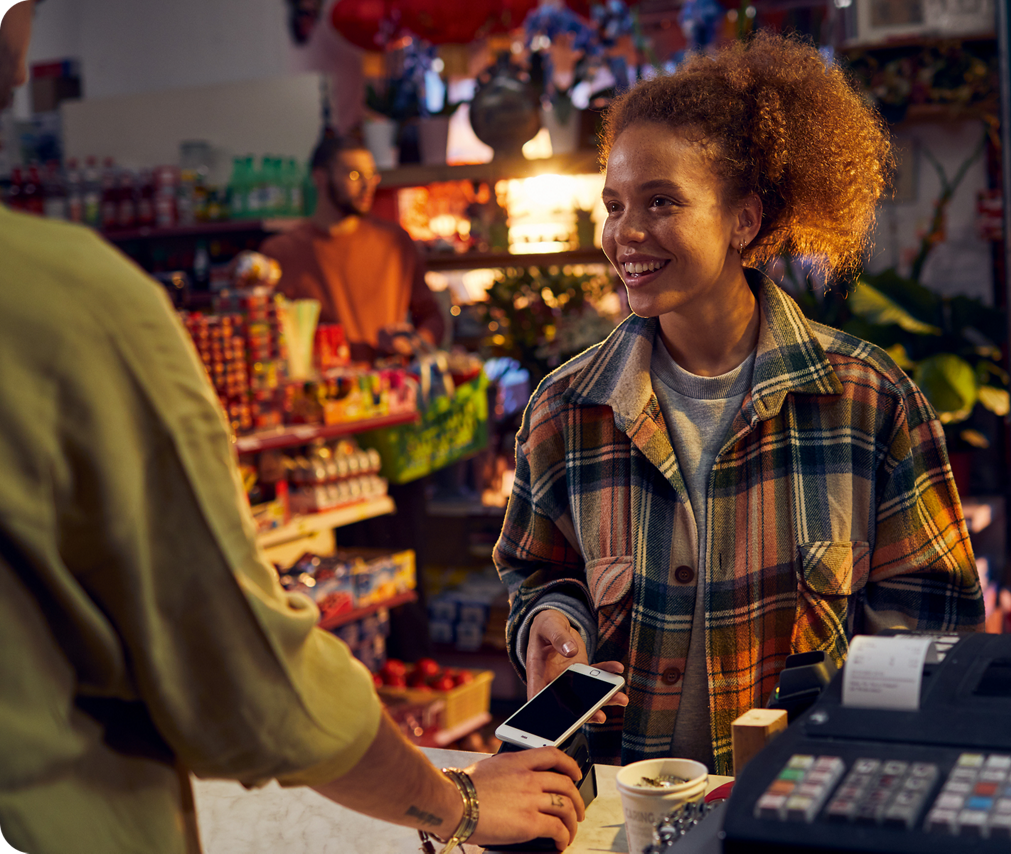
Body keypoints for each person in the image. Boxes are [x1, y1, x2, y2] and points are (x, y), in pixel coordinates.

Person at [0, 3, 583, 852]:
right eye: (17, 22)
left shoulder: (391, 243)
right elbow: (250, 679)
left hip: (399, 427)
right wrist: (455, 800)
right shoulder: (77, 304)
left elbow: (427, 324)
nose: (22, 61)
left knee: (407, 562)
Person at [495, 31, 987, 777]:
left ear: (744, 220)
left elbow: (934, 632)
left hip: (801, 811)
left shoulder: (867, 400)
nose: (626, 233)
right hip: (619, 811)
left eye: (662, 201)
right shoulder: (568, 409)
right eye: (615, 203)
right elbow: (537, 572)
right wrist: (551, 619)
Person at [259, 135, 446, 362]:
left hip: (388, 385)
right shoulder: (280, 253)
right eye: (354, 175)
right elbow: (265, 336)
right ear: (320, 178)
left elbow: (431, 317)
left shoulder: (395, 242)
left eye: (371, 175)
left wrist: (411, 343)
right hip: (320, 390)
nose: (368, 185)